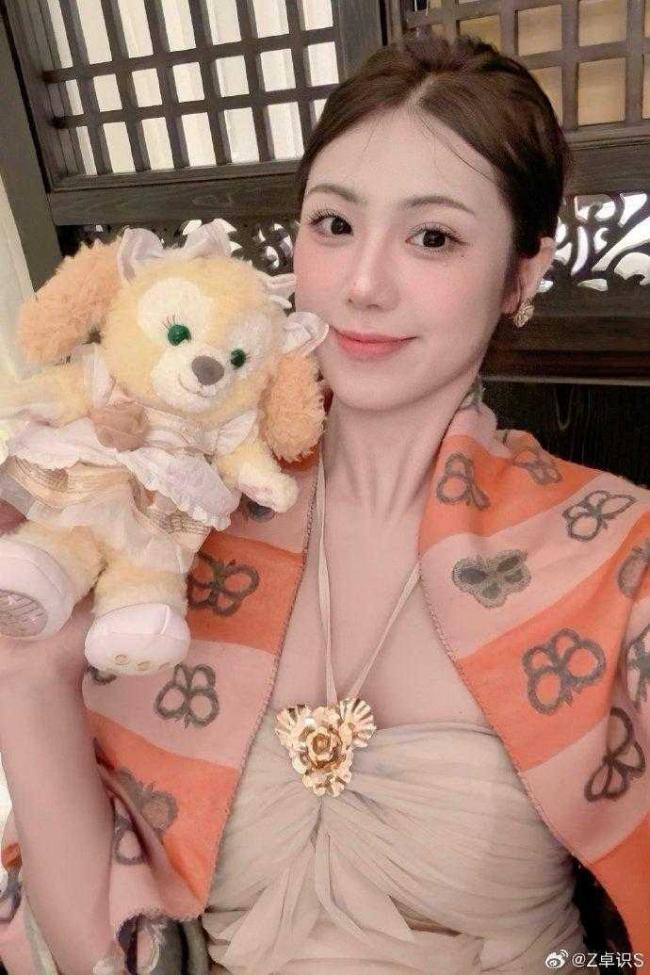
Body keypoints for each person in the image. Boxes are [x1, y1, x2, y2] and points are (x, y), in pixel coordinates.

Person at [0, 32, 648, 975]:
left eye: (433, 237)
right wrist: (29, 671)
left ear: (522, 272)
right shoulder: (175, 524)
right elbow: (94, 948)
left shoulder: (609, 550)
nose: (362, 285)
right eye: (334, 224)